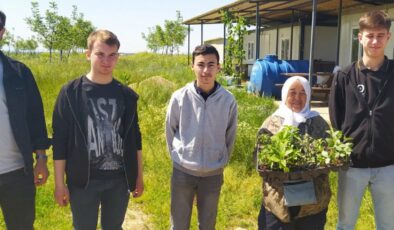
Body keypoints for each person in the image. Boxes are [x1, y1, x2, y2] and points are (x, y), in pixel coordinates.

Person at [52, 29, 144, 230]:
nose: (106, 61)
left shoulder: (127, 96)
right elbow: (60, 141)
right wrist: (60, 184)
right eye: (100, 54)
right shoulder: (70, 93)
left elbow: (135, 139)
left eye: (112, 56)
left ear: (118, 57)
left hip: (119, 180)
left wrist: (138, 176)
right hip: (83, 180)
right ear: (88, 54)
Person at [329, 10, 394, 230]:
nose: (375, 41)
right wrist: (346, 150)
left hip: (388, 165)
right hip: (352, 166)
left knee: (387, 224)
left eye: (380, 35)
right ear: (360, 37)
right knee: (345, 223)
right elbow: (336, 118)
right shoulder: (345, 76)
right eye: (370, 35)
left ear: (388, 37)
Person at [165, 44, 237, 229]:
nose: (206, 70)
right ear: (192, 66)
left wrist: (220, 160)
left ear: (219, 67)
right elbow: (170, 130)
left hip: (213, 174)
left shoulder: (228, 100)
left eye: (211, 65)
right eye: (201, 64)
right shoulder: (180, 97)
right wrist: (179, 157)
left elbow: (230, 135)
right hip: (183, 171)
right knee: (179, 223)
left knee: (207, 223)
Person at [256, 76, 331, 230]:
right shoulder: (271, 123)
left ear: (309, 95)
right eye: (292, 92)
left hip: (313, 206)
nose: (297, 97)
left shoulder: (318, 123)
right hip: (278, 202)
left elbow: (330, 157)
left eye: (303, 93)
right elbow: (259, 161)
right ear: (284, 94)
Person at [0, 11, 50, 230]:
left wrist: (41, 157)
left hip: (16, 173)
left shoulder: (19, 73)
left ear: (2, 33)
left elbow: (35, 118)